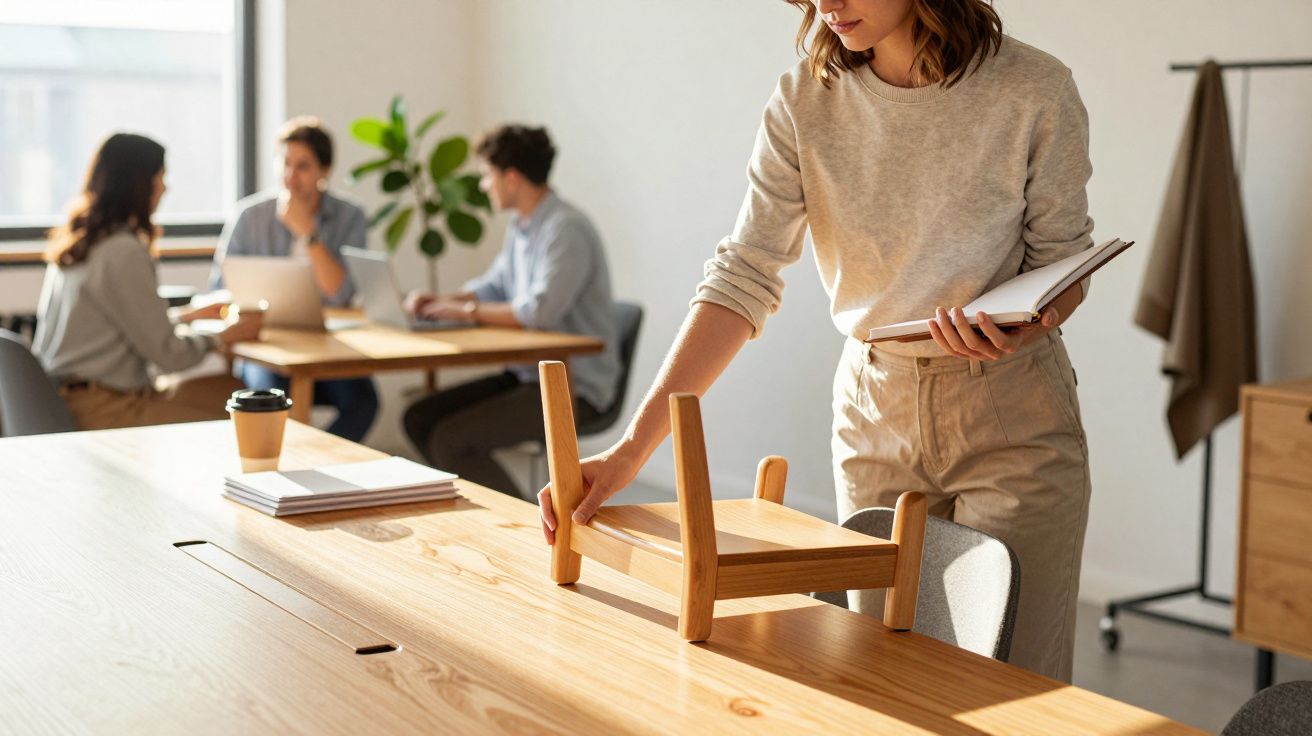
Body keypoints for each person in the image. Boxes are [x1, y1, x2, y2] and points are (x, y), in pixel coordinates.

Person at [538, 0, 1094, 682]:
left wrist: (1023, 322)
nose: (826, 5)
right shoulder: (805, 100)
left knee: (1017, 688)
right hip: (874, 410)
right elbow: (742, 276)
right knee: (886, 675)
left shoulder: (1033, 87)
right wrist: (630, 452)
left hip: (1013, 412)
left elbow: (1064, 262)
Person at [402, 125, 619, 499]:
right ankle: (478, 516)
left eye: (488, 175)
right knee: (419, 418)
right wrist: (440, 302)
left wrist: (467, 311)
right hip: (527, 373)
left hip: (572, 387)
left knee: (453, 441)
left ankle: (527, 525)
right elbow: (494, 286)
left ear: (512, 178)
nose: (485, 186)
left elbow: (539, 311)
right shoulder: (522, 228)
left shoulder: (565, 229)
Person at [34, 133, 260, 431]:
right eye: (160, 176)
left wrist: (187, 316)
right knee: (245, 398)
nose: (165, 188)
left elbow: (116, 325)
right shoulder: (123, 250)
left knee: (227, 391)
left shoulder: (79, 242)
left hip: (63, 400)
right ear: (139, 183)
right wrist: (220, 338)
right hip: (107, 409)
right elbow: (169, 355)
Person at [210, 116, 378, 442]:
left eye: (303, 166)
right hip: (269, 347)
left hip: (328, 349)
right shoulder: (249, 217)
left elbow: (340, 292)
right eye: (285, 163)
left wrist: (307, 232)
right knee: (270, 398)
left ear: (324, 170)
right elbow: (220, 287)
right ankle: (292, 467)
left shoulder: (350, 217)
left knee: (364, 403)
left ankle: (320, 467)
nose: (290, 176)